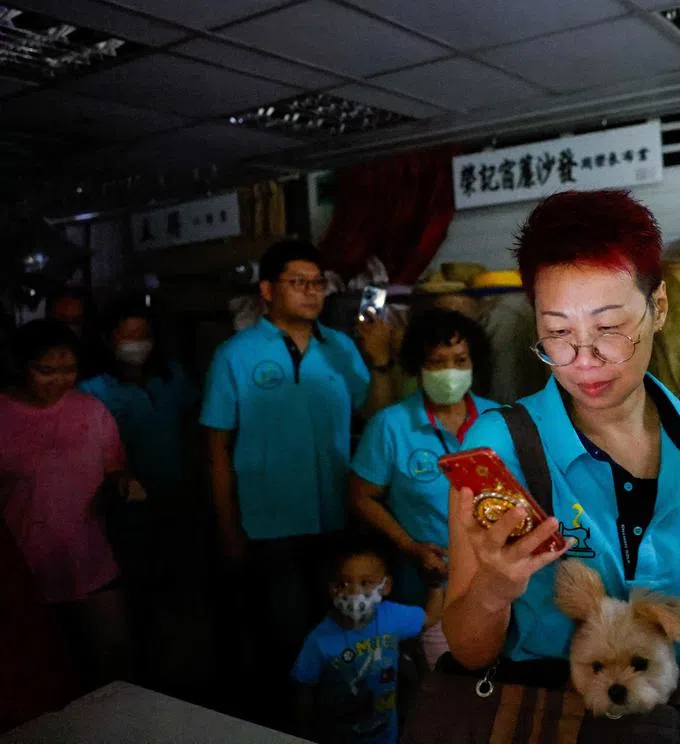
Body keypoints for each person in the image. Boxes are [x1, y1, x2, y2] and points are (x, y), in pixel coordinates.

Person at [440, 190, 680, 742]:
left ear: (658, 308)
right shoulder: (500, 445)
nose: (583, 360)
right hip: (553, 727)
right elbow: (470, 650)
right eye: (558, 333)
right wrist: (494, 588)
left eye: (609, 327)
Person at [200, 239, 395, 723]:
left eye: (317, 283)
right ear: (267, 290)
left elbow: (377, 415)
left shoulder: (341, 348)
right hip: (269, 524)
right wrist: (227, 528)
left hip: (335, 518)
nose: (312, 292)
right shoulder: (236, 354)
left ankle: (338, 723)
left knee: (341, 632)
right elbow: (216, 449)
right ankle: (286, 726)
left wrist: (379, 360)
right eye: (298, 282)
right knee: (284, 638)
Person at [348, 307, 498, 667]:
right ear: (418, 367)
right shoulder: (391, 425)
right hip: (425, 583)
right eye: (437, 362)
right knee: (435, 683)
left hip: (493, 580)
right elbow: (360, 496)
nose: (450, 372)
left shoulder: (499, 419)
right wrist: (409, 546)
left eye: (460, 360)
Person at [0, 320, 140, 688]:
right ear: (20, 366)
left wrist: (121, 484)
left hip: (91, 563)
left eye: (68, 370)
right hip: (23, 572)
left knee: (114, 668)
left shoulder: (91, 411)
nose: (60, 381)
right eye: (46, 371)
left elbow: (114, 467)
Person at [81, 293, 200, 578]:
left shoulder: (171, 375)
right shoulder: (92, 391)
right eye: (129, 336)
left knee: (183, 571)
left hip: (179, 494)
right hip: (128, 505)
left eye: (144, 335)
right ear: (109, 339)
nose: (138, 344)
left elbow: (192, 421)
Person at [292, 535, 441, 744]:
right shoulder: (318, 641)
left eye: (366, 583)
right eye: (343, 583)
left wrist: (435, 585)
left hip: (386, 736)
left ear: (386, 586)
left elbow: (430, 618)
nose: (355, 593)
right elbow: (304, 691)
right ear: (331, 587)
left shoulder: (392, 617)